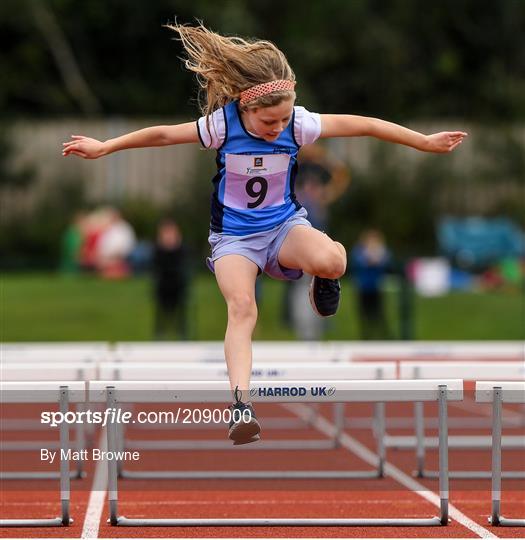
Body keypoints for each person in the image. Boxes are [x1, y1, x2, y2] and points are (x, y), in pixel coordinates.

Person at [62, 22, 467, 444]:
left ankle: (323, 278)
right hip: (235, 241)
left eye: (284, 119)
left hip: (283, 228)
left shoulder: (299, 125)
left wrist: (423, 141)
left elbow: (364, 124)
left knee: (335, 260)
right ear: (246, 108)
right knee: (242, 308)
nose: (278, 128)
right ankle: (241, 406)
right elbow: (163, 134)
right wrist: (106, 147)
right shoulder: (222, 126)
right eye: (269, 121)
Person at [152, 218, 189, 340]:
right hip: (163, 286)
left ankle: (182, 331)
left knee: (181, 311)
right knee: (161, 311)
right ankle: (160, 332)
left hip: (178, 285)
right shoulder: (158, 249)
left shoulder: (181, 249)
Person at [350, 229, 392, 340]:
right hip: (363, 287)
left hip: (376, 287)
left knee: (378, 313)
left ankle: (382, 335)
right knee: (364, 314)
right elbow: (360, 261)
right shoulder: (359, 251)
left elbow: (385, 261)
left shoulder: (382, 250)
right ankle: (366, 335)